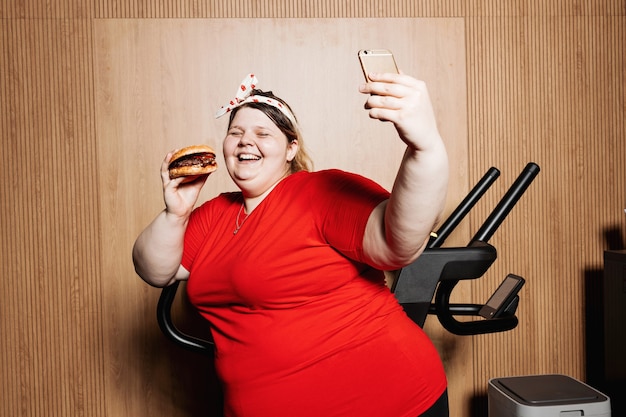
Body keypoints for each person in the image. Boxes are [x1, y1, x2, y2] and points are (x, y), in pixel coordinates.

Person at [133, 71, 450, 417]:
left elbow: (397, 244)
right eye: (235, 133)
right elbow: (155, 271)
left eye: (262, 133)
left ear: (290, 148)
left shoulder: (320, 192)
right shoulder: (215, 214)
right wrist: (175, 213)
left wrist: (424, 147)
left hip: (394, 401)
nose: (244, 141)